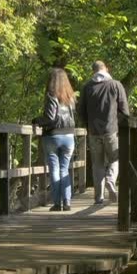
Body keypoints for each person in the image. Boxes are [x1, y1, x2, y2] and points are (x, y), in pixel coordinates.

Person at [78, 60, 129, 205]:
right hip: (111, 130)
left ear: (93, 71)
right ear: (106, 69)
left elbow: (80, 110)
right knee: (115, 158)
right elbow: (124, 110)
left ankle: (98, 197)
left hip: (93, 131)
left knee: (97, 164)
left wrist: (87, 125)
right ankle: (111, 179)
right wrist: (123, 126)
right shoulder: (115, 85)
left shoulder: (87, 87)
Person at [36, 68, 77, 211]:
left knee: (54, 168)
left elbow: (50, 118)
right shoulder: (70, 97)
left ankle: (57, 203)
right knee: (64, 169)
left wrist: (37, 120)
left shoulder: (51, 95)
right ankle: (67, 202)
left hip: (53, 135)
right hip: (69, 136)